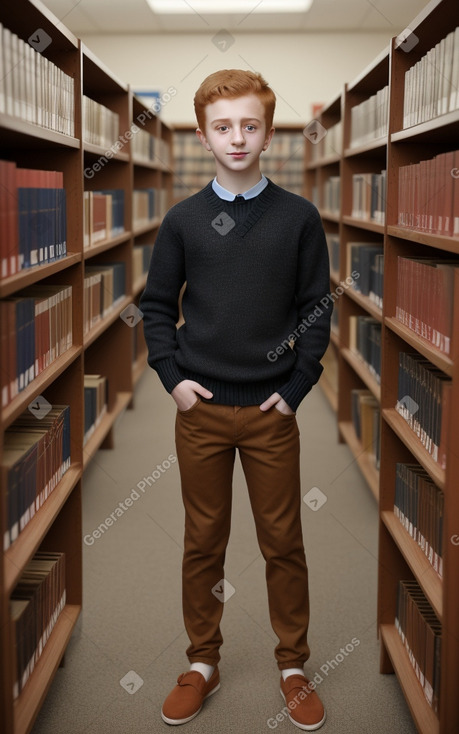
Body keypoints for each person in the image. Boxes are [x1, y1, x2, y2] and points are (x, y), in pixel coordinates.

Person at [139, 68, 331, 730]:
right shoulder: (184, 220)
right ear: (203, 134)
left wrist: (297, 386)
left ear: (268, 133)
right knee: (203, 541)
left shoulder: (298, 218)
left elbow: (316, 306)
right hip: (202, 410)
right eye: (223, 127)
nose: (237, 137)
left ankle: (292, 665)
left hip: (270, 411)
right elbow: (157, 306)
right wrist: (171, 377)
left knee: (283, 539)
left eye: (250, 125)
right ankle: (202, 661)